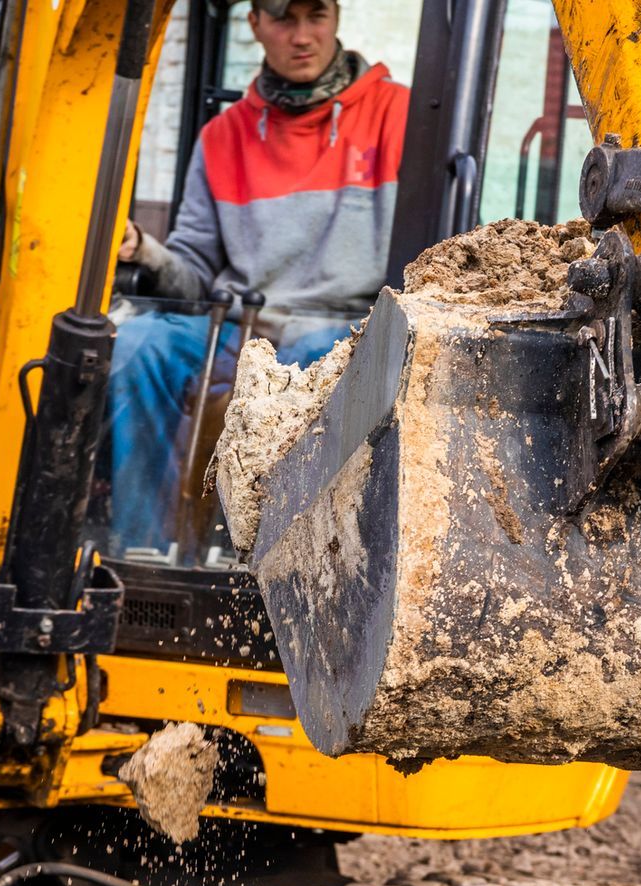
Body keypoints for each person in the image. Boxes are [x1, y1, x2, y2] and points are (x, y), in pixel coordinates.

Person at [109, 0, 408, 552]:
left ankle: (280, 564)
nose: (302, 36)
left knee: (314, 365)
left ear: (336, 17)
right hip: (240, 327)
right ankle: (142, 553)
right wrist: (143, 253)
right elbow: (194, 273)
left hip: (345, 327)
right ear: (254, 26)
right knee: (136, 345)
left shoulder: (399, 116)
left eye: (315, 16)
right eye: (282, 20)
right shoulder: (223, 138)